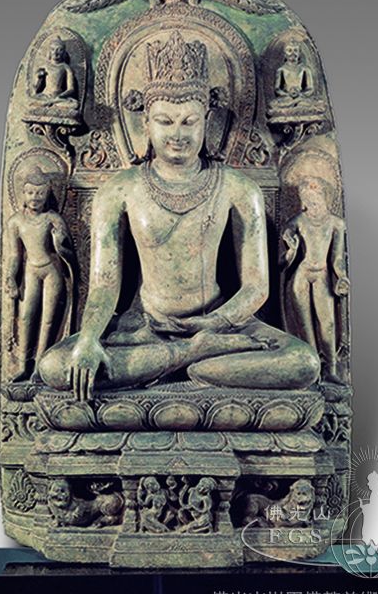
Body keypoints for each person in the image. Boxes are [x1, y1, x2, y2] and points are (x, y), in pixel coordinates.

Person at [38, 31, 319, 400]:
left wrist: (214, 323)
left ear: (208, 120)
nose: (177, 134)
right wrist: (89, 339)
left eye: (189, 121)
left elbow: (256, 287)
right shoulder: (119, 190)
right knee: (55, 366)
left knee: (303, 363)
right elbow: (105, 285)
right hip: (145, 327)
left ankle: (170, 364)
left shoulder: (238, 189)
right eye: (165, 121)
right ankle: (194, 358)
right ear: (145, 123)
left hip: (223, 324)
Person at [5, 167, 75, 381]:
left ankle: (40, 365)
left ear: (47, 195)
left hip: (51, 271)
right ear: (23, 194)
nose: (35, 197)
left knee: (48, 319)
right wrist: (11, 277)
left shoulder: (53, 219)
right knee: (26, 316)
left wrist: (59, 242)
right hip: (31, 271)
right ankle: (22, 365)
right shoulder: (15, 222)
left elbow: (68, 253)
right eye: (30, 192)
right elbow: (15, 255)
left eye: (40, 193)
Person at [281, 176, 349, 383]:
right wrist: (291, 249)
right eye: (307, 202)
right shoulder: (298, 222)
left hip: (322, 274)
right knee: (305, 326)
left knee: (327, 323)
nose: (310, 207)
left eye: (315, 202)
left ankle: (331, 369)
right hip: (302, 275)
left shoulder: (336, 224)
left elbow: (337, 258)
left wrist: (342, 277)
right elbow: (284, 257)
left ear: (324, 199)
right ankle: (313, 370)